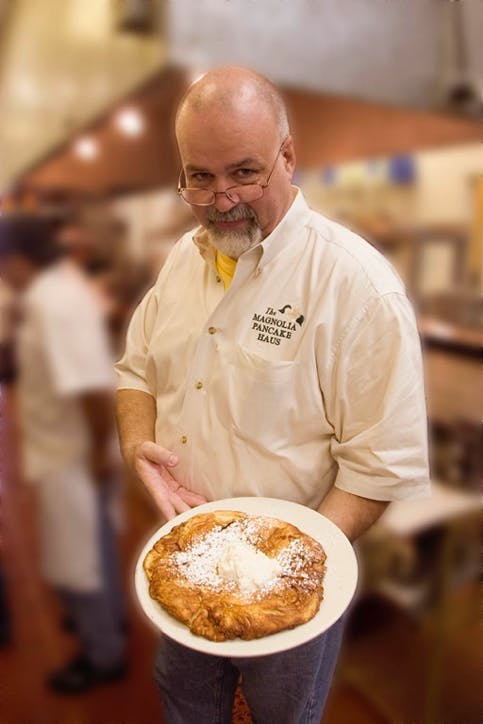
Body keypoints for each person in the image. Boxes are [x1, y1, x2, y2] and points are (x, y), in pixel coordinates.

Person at [115, 67, 429, 723]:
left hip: (289, 583)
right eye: (198, 175)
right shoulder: (182, 259)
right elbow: (136, 369)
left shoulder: (355, 289)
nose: (219, 198)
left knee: (280, 714)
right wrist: (134, 443)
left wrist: (273, 570)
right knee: (184, 699)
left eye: (243, 172)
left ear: (287, 156)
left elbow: (380, 468)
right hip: (182, 553)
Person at [0, 215, 127, 694]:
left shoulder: (54, 302)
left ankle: (103, 653)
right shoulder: (50, 293)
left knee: (82, 559)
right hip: (64, 448)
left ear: (16, 260)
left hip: (74, 454)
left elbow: (93, 391)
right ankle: (106, 624)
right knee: (89, 551)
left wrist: (96, 456)